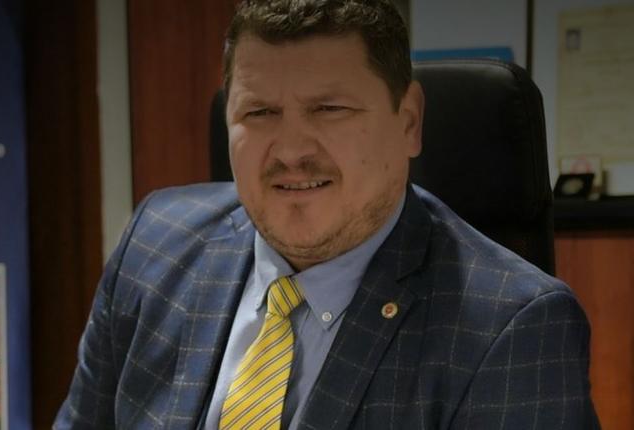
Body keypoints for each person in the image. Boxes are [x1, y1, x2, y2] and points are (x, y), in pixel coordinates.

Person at [54, 0, 599, 428]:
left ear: (409, 121)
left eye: (329, 109)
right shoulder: (155, 241)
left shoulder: (512, 328)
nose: (291, 150)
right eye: (259, 112)